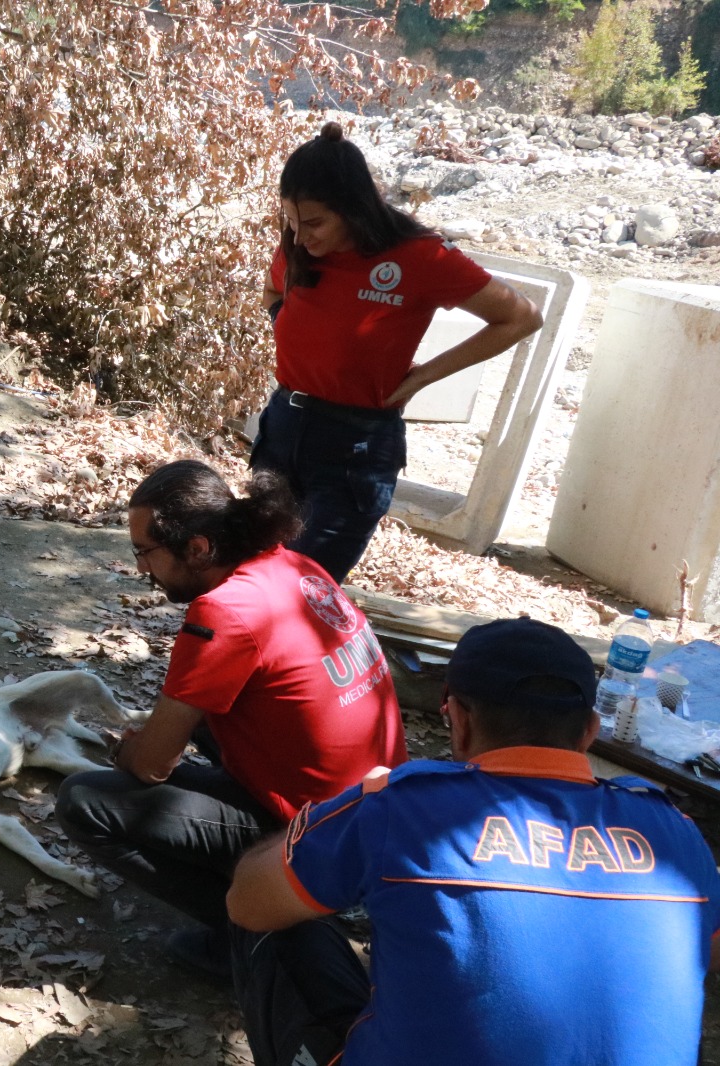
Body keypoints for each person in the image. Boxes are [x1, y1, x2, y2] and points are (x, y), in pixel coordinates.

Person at [227, 617, 720, 1066]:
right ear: (590, 732)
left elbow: (247, 904)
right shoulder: (675, 830)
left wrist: (344, 812)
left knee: (280, 924)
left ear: (457, 719)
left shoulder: (401, 807)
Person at [54, 460, 404, 977]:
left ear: (197, 548)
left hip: (317, 831)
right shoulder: (294, 565)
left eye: (145, 552)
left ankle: (253, 933)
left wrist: (124, 749)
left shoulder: (224, 613)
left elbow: (150, 765)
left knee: (84, 802)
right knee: (193, 722)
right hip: (377, 807)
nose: (141, 570)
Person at [255, 121, 544, 583]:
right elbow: (273, 291)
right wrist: (292, 329)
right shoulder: (298, 246)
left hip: (355, 444)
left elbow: (522, 317)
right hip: (284, 426)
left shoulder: (420, 257)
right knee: (256, 569)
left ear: (353, 208)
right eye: (290, 221)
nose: (300, 235)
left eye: (313, 223)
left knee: (305, 584)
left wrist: (424, 376)